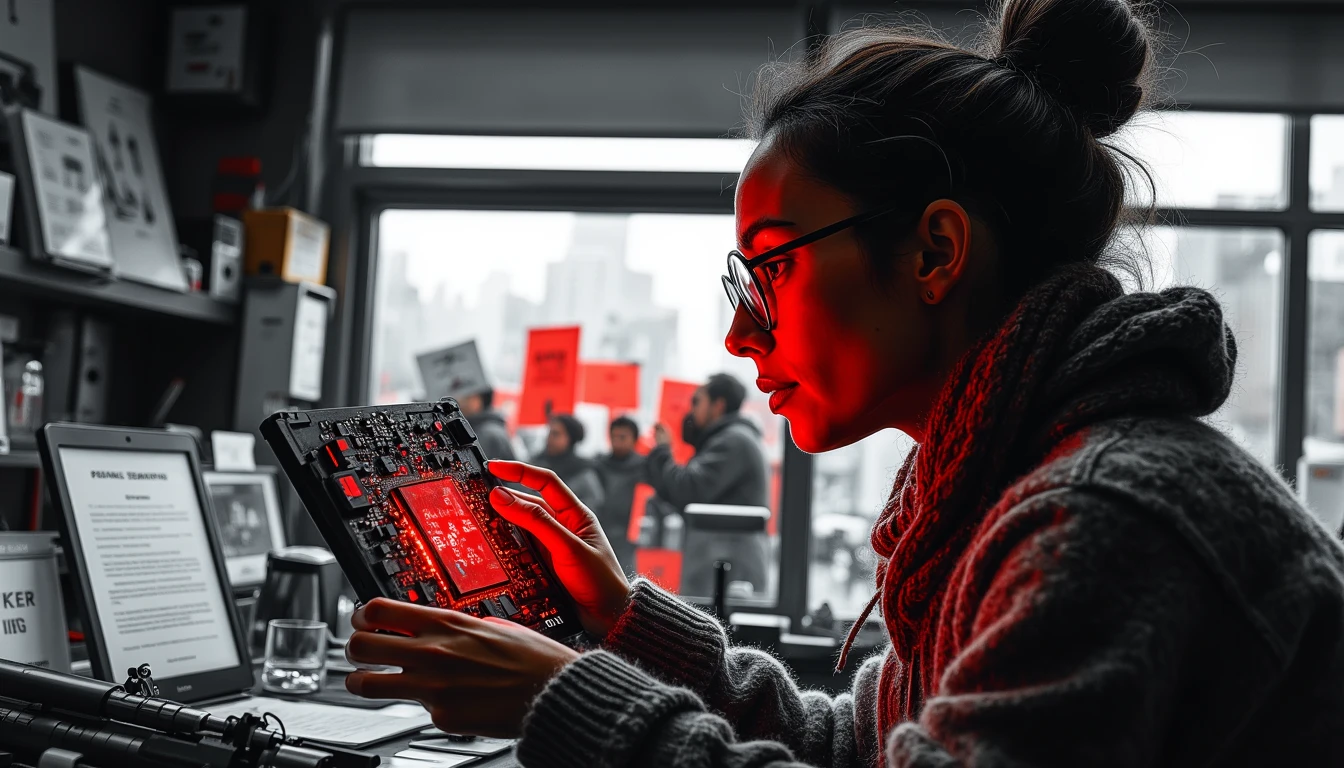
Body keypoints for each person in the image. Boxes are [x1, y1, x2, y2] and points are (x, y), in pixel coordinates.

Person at [342, 1, 1344, 764]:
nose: (739, 336)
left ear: (935, 252)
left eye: (770, 266)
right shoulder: (999, 479)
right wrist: (618, 617)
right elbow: (859, 746)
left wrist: (564, 700)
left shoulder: (1100, 518)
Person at [592, 415, 645, 572]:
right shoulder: (599, 466)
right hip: (603, 530)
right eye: (614, 436)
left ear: (634, 439)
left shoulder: (644, 467)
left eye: (623, 437)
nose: (617, 442)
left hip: (631, 534)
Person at [528, 413, 604, 514]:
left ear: (570, 439)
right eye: (549, 433)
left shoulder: (583, 473)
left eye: (556, 434)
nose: (549, 438)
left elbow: (592, 507)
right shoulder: (536, 465)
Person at [457, 388, 516, 461]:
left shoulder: (486, 434)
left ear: (477, 400)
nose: (460, 402)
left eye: (465, 398)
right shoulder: (487, 428)